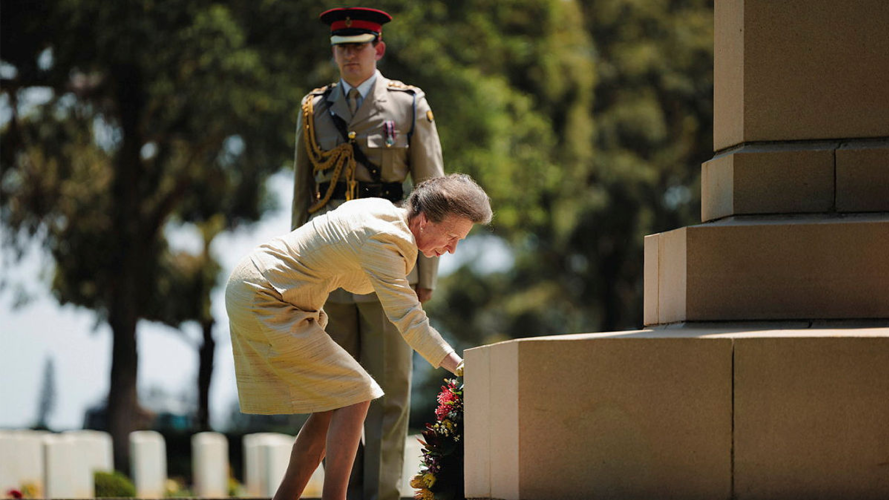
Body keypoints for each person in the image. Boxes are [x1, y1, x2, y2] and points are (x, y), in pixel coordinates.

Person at [226, 174, 492, 500]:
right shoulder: (387, 240)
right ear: (423, 220)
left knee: (335, 402)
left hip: (266, 288)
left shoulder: (383, 211)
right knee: (357, 392)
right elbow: (409, 320)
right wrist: (464, 369)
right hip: (266, 295)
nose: (451, 249)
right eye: (451, 236)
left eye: (459, 241)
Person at [291, 7, 445, 499]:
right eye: (341, 47)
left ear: (378, 48)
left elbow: (432, 192)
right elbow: (301, 196)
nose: (349, 55)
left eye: (358, 46)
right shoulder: (314, 110)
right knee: (336, 392)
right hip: (329, 271)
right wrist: (296, 274)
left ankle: (379, 496)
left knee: (388, 394)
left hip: (390, 267)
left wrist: (426, 276)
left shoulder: (408, 105)